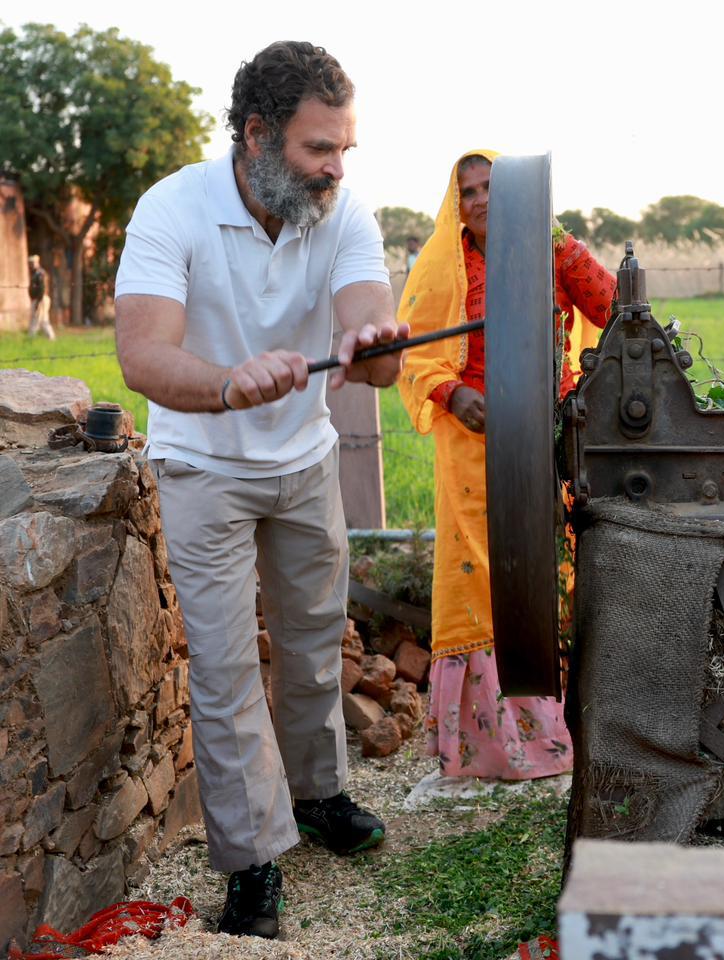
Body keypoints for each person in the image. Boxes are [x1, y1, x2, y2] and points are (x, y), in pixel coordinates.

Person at [114, 41, 408, 940]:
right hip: (204, 463)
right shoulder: (173, 209)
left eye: (344, 149)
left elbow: (376, 341)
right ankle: (251, 860)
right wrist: (231, 381)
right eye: (320, 149)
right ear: (255, 136)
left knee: (318, 640)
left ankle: (318, 793)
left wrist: (377, 343)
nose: (336, 168)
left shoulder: (342, 211)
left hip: (303, 458)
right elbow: (143, 354)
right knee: (229, 666)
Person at [398, 150, 615, 780]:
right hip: (472, 446)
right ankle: (487, 753)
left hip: (549, 440)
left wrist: (559, 239)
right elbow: (412, 348)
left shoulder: (549, 252)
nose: (482, 200)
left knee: (552, 572)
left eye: (494, 187)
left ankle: (558, 736)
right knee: (478, 581)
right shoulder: (444, 263)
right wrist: (451, 391)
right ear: (455, 206)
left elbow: (609, 308)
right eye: (468, 192)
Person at [27, 254, 55, 340]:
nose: (31, 265)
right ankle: (51, 337)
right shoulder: (35, 273)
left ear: (37, 262)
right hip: (39, 298)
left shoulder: (39, 273)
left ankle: (31, 338)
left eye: (32, 263)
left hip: (41, 298)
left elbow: (42, 288)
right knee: (43, 320)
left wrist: (38, 301)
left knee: (36, 318)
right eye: (30, 263)